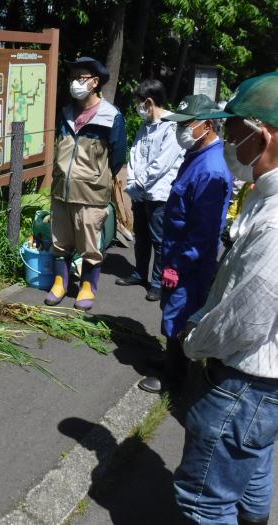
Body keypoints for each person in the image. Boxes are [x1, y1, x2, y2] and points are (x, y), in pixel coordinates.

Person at [174, 72, 278, 525]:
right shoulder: (263, 193)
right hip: (263, 386)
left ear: (265, 134)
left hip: (244, 381)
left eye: (233, 130)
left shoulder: (275, 221)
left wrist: (194, 342)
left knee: (204, 502)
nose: (227, 140)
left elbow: (249, 317)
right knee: (252, 470)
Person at [137, 94, 233, 394]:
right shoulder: (197, 157)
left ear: (206, 125)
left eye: (187, 124)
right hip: (176, 253)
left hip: (189, 262)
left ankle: (175, 378)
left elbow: (203, 232)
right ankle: (170, 362)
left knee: (178, 314)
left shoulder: (212, 169)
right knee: (171, 309)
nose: (181, 131)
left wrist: (177, 267)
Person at [46, 56, 126, 310]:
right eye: (73, 77)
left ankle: (87, 287)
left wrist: (95, 177)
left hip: (91, 195)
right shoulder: (66, 112)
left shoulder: (111, 116)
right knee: (60, 242)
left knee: (90, 246)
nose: (74, 82)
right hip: (61, 191)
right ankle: (60, 283)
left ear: (95, 82)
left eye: (80, 77)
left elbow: (117, 158)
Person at [116, 80, 184, 302]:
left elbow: (162, 163)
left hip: (159, 194)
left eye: (139, 103)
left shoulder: (172, 125)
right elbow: (135, 153)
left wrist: (139, 183)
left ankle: (157, 283)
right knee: (141, 237)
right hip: (140, 191)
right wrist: (133, 180)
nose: (138, 107)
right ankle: (139, 273)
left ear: (148, 102)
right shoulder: (145, 125)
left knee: (159, 240)